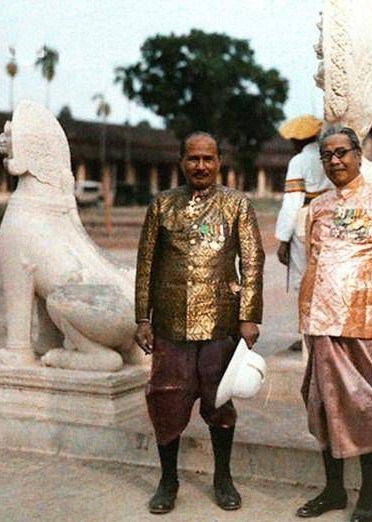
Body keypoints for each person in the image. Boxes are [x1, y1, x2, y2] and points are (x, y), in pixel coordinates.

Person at [134, 131, 264, 514]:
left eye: (208, 158)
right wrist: (142, 317)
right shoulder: (162, 205)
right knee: (166, 400)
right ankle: (168, 481)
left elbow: (252, 263)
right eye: (193, 158)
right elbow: (146, 264)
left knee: (219, 402)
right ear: (181, 162)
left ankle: (223, 478)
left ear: (219, 161)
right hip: (170, 324)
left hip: (221, 323)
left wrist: (249, 316)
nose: (201, 166)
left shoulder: (236, 204)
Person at [296, 125, 372, 522]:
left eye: (342, 153)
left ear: (358, 154)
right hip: (319, 321)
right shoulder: (317, 207)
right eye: (327, 155)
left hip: (365, 321)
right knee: (322, 404)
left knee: (365, 406)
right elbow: (313, 260)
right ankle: (333, 490)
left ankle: (369, 494)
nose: (335, 161)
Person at [274, 114, 333, 351]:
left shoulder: (299, 161)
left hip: (304, 222)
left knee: (303, 279)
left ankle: (308, 335)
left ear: (298, 140)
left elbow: (292, 202)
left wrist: (282, 239)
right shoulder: (329, 155)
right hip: (330, 219)